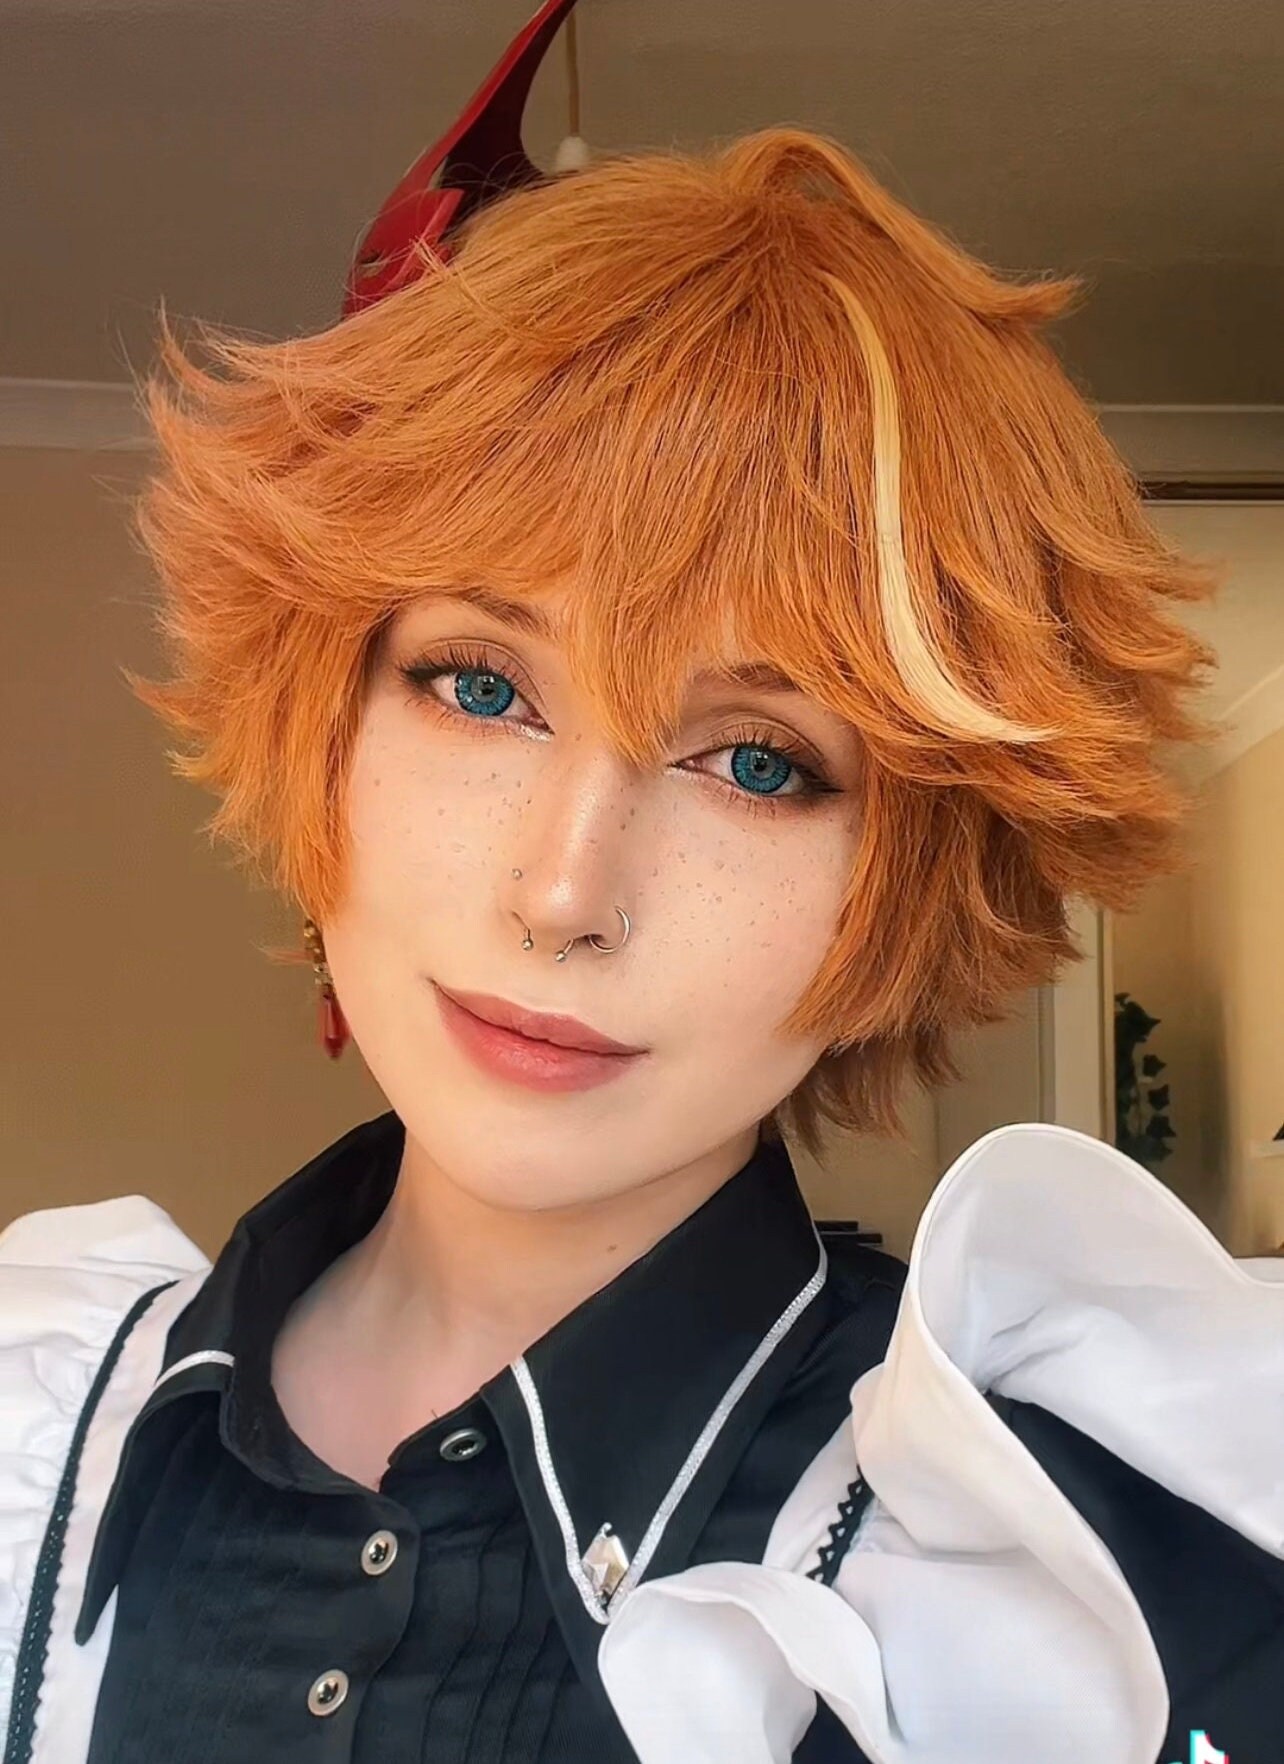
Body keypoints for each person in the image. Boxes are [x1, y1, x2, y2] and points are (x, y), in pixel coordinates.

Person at [3, 3, 1282, 1761]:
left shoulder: (1087, 1580)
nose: (563, 895)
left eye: (756, 763)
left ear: (913, 875)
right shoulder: (38, 1424)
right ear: (328, 720)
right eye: (480, 687)